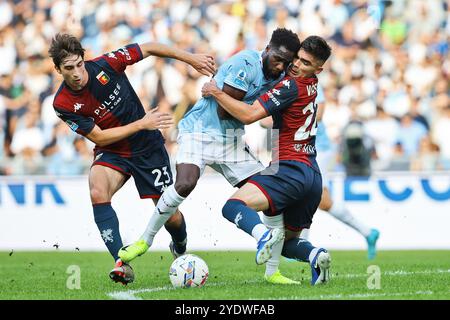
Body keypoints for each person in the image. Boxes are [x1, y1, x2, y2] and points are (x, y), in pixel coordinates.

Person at [118, 28, 301, 265]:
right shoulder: (245, 63)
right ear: (267, 49)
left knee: (268, 191)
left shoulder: (280, 76)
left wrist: (257, 110)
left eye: (285, 63)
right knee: (185, 183)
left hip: (231, 138)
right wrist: (257, 110)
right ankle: (145, 241)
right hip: (199, 130)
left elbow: (248, 112)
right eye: (277, 59)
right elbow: (225, 111)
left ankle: (271, 261)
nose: (279, 66)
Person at [49, 33, 216, 285]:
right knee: (97, 190)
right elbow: (100, 137)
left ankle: (179, 246)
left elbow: (148, 47)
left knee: (170, 214)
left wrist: (190, 58)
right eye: (68, 68)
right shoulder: (62, 103)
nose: (76, 73)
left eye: (79, 64)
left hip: (148, 148)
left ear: (85, 59)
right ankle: (120, 263)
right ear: (58, 70)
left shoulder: (106, 64)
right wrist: (141, 123)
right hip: (113, 150)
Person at [201, 36, 333, 285]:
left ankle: (262, 235)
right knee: (288, 243)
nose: (296, 65)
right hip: (312, 176)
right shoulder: (313, 85)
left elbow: (250, 115)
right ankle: (316, 254)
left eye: (305, 63)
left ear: (318, 69)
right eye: (297, 58)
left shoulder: (290, 86)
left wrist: (216, 92)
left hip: (289, 169)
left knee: (232, 207)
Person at [300, 85, 380, 260]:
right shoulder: (280, 82)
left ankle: (301, 246)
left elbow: (319, 115)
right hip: (300, 149)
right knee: (321, 201)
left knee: (311, 195)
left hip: (318, 148)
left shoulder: (309, 82)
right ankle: (368, 232)